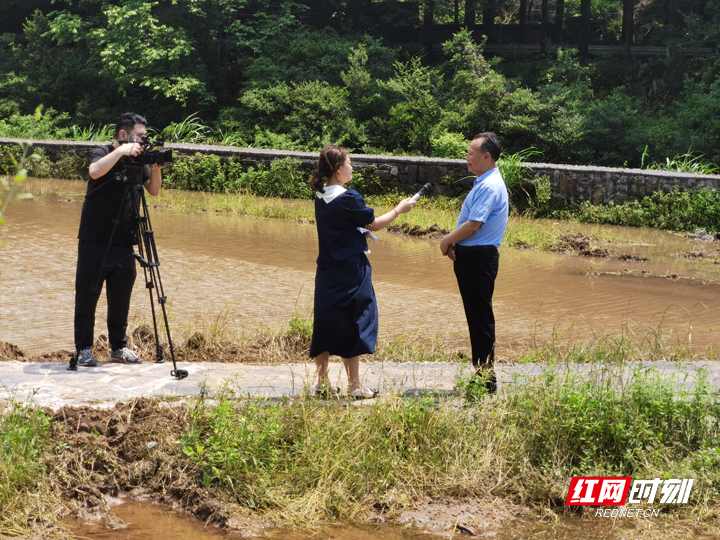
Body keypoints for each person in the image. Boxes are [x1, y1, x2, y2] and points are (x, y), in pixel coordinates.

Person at [309, 145, 416, 399]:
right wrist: (400, 209)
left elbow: (340, 226)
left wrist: (358, 230)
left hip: (326, 269)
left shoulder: (320, 195)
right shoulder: (349, 197)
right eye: (349, 162)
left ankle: (322, 383)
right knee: (354, 320)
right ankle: (355, 385)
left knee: (324, 323)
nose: (352, 166)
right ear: (338, 168)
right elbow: (375, 223)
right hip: (350, 269)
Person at [72, 112, 163, 368]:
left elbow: (154, 190)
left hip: (125, 238)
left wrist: (155, 169)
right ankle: (84, 349)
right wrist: (122, 152)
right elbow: (95, 172)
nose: (143, 141)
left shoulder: (139, 161)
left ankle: (118, 348)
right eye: (139, 136)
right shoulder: (103, 152)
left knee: (121, 297)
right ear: (123, 134)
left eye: (145, 137)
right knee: (87, 296)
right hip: (95, 238)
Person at [439, 132, 508, 393]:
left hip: (478, 259)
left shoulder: (489, 185)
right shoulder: (485, 181)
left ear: (486, 156)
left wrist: (446, 240)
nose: (467, 158)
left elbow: (473, 225)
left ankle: (485, 380)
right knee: (478, 317)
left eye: (471, 153)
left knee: (480, 319)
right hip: (475, 256)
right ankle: (483, 377)